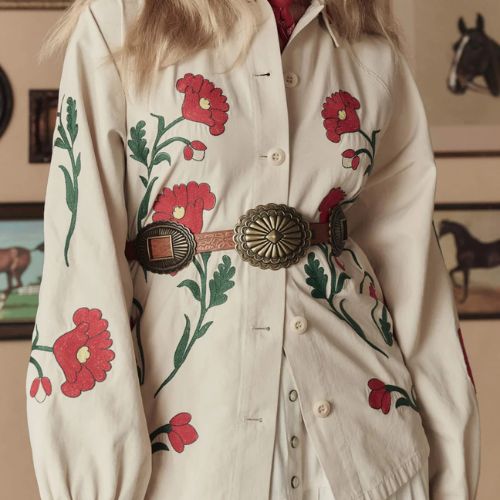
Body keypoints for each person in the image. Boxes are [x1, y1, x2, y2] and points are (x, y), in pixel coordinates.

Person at [25, 0, 480, 499]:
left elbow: (413, 270)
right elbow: (81, 262)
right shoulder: (119, 21)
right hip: (190, 459)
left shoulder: (367, 46)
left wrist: (451, 469)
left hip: (372, 457)